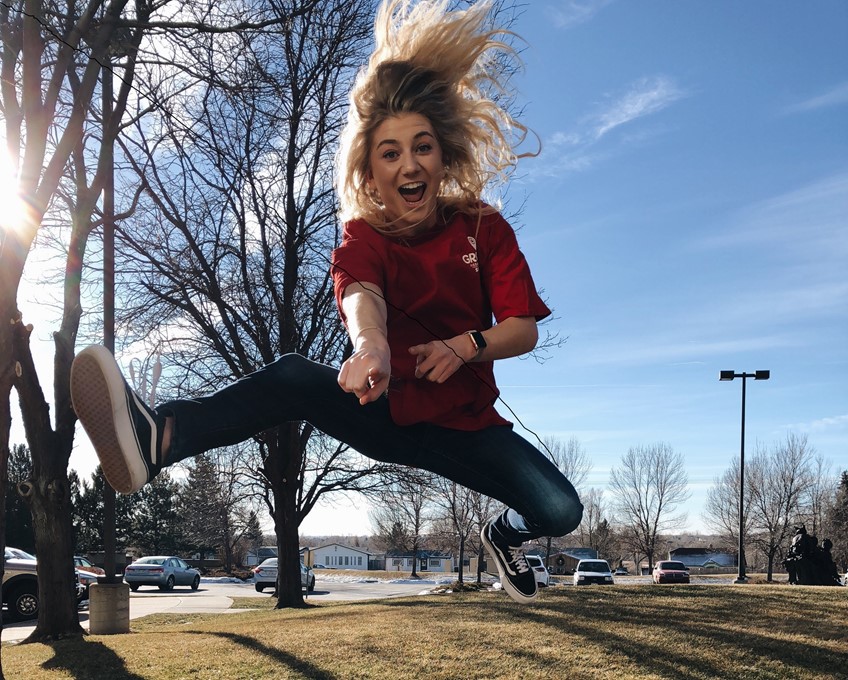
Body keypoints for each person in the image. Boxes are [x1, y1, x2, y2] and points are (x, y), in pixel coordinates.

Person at [70, 0, 583, 605]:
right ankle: (161, 433)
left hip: (467, 428)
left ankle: (504, 535)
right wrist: (370, 347)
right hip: (382, 409)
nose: (409, 165)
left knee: (559, 508)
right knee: (291, 374)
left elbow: (522, 329)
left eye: (422, 147)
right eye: (391, 153)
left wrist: (467, 345)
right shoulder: (365, 235)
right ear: (371, 172)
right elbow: (360, 293)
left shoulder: (483, 227)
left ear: (443, 154)